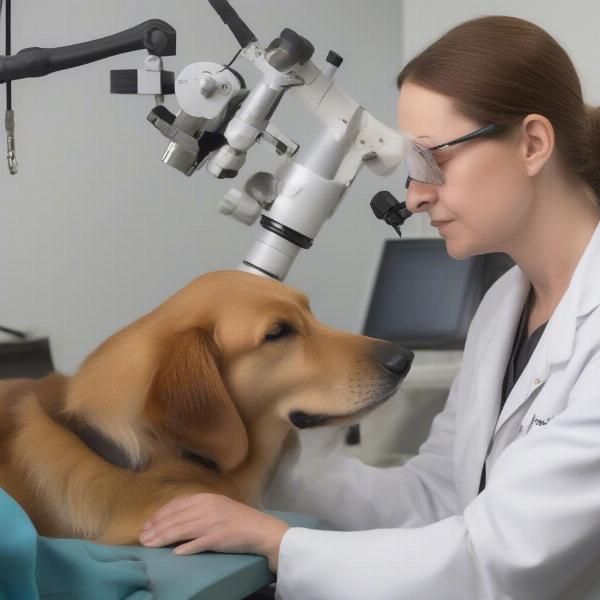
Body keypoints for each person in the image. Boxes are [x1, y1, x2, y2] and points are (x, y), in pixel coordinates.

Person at [139, 15, 600, 599]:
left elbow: (496, 558)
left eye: (433, 160)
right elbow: (438, 499)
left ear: (532, 144)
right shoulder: (504, 306)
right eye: (410, 167)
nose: (413, 195)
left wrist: (278, 543)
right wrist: (275, 468)